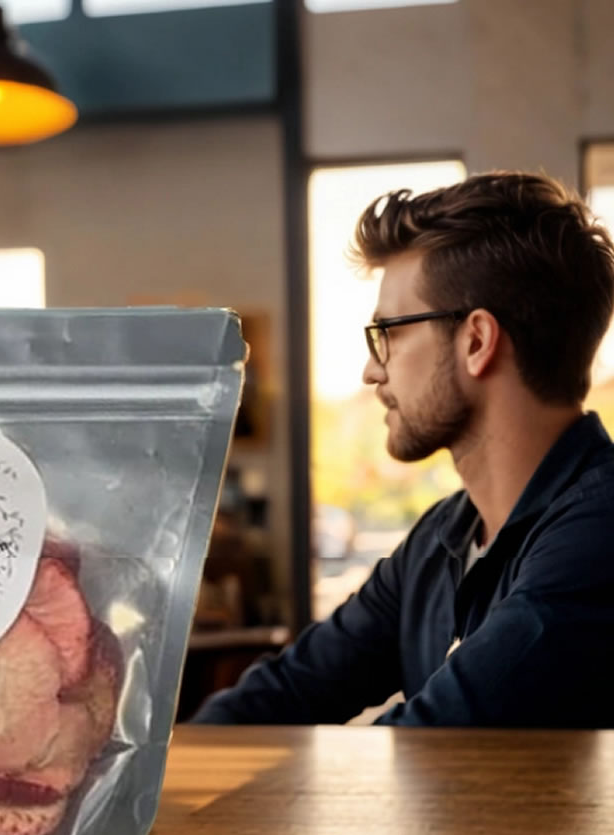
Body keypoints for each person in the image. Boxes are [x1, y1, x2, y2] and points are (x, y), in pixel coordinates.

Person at [194, 170, 614, 727]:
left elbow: (436, 745)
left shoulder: (599, 533)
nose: (371, 370)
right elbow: (293, 688)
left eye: (388, 332)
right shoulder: (444, 537)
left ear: (476, 341)